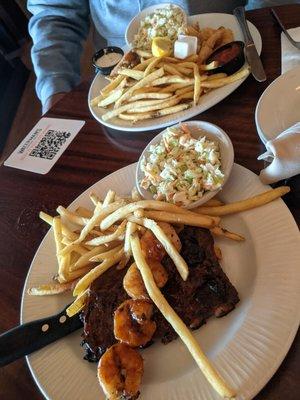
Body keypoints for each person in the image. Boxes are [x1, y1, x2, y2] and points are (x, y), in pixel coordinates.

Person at [28, 0, 254, 113]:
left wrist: (264, 19)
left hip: (241, 50)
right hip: (131, 88)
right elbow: (55, 14)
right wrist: (54, 87)